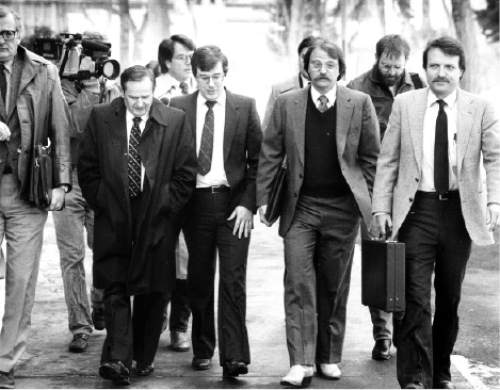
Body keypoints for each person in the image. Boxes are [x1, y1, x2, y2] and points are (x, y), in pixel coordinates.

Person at [371, 36, 500, 389]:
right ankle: (415, 377)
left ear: (461, 71)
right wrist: (381, 207)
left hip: (459, 213)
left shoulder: (481, 108)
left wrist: (494, 200)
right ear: (425, 68)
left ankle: (440, 370)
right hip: (417, 212)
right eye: (434, 66)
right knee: (413, 297)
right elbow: (389, 160)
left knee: (449, 298)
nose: (440, 73)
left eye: (448, 67)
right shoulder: (406, 104)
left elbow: (494, 157)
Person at [257, 39, 380, 388]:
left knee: (332, 285)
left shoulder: (359, 103)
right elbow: (270, 152)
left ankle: (328, 357)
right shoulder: (287, 104)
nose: (322, 71)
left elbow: (371, 157)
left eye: (329, 64)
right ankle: (300, 361)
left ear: (340, 69)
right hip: (302, 207)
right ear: (305, 69)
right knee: (298, 281)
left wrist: (373, 205)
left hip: (343, 209)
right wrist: (264, 197)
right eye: (316, 64)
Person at [78, 65, 197, 386]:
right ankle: (117, 358)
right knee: (114, 285)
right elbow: (87, 167)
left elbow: (186, 173)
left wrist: (166, 208)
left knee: (153, 289)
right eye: (134, 98)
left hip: (156, 215)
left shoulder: (174, 121)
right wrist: (103, 200)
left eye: (146, 97)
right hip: (113, 213)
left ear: (154, 91)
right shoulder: (102, 117)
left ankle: (142, 357)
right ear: (122, 91)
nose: (141, 104)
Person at [169, 45, 262, 378]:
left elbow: (258, 162)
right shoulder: (178, 107)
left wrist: (248, 204)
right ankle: (203, 347)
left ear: (226, 74)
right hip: (194, 205)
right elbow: (171, 162)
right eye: (204, 77)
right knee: (199, 277)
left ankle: (235, 356)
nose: (211, 84)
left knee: (233, 280)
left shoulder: (244, 107)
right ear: (194, 75)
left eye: (217, 77)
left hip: (233, 205)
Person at [0, 6, 71, 388]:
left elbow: (60, 128)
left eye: (8, 34)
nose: (3, 41)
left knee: (21, 279)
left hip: (27, 189)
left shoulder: (44, 71)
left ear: (19, 32)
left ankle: (5, 362)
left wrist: (60, 183)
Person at [347, 34, 425, 361]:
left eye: (397, 65)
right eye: (386, 64)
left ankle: (407, 331)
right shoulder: (357, 88)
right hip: (372, 186)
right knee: (379, 260)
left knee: (410, 261)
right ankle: (382, 334)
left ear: (406, 63)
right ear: (376, 59)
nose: (391, 71)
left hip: (412, 187)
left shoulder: (420, 85)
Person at [155, 34, 196, 352]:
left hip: (193, 186)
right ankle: (156, 319)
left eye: (191, 56)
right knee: (159, 256)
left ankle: (180, 327)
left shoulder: (201, 89)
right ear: (167, 61)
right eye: (183, 57)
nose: (188, 62)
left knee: (187, 260)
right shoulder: (152, 92)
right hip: (161, 189)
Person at [262, 35, 320, 130]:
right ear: (298, 58)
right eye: (304, 57)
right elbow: (267, 133)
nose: (307, 63)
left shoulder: (336, 91)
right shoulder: (280, 91)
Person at [156, 34, 196, 104]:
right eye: (181, 58)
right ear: (168, 63)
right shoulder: (153, 89)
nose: (189, 62)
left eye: (191, 56)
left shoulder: (201, 85)